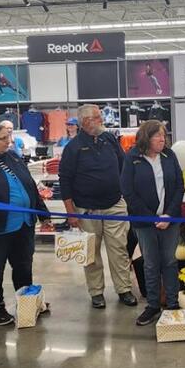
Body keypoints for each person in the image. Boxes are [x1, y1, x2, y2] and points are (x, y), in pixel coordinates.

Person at [0, 124, 48, 326]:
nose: (8, 141)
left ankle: (27, 302)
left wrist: (42, 212)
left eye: (8, 137)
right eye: (2, 138)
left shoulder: (12, 156)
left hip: (23, 224)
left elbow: (29, 185)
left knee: (23, 265)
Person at [59, 104, 137, 309]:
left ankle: (124, 289)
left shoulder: (109, 139)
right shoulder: (73, 148)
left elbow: (123, 165)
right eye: (97, 118)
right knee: (91, 254)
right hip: (87, 210)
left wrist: (125, 196)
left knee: (119, 249)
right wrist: (71, 213)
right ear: (85, 122)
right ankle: (96, 292)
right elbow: (64, 181)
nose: (101, 121)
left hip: (114, 205)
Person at [121, 120, 184, 326]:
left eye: (164, 135)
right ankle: (153, 305)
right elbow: (128, 191)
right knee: (150, 263)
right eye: (158, 136)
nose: (162, 139)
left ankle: (173, 304)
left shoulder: (169, 155)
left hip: (169, 221)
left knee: (169, 262)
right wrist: (151, 217)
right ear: (147, 137)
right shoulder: (132, 158)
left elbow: (179, 187)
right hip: (145, 223)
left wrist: (169, 215)